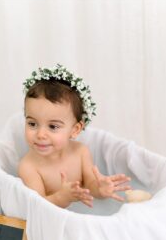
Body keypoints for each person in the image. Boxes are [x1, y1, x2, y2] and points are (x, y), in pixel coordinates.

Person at [17, 64, 131, 208]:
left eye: (53, 126)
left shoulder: (80, 152)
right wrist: (61, 198)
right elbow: (36, 207)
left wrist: (100, 189)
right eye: (32, 124)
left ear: (75, 130)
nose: (40, 134)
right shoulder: (28, 167)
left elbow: (90, 184)